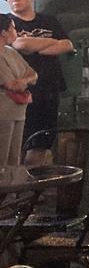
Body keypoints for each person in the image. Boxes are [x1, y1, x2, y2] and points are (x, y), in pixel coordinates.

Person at [4, 0, 73, 165]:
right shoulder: (6, 22)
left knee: (43, 139)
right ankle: (13, 185)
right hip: (18, 91)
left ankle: (36, 185)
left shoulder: (49, 20)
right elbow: (19, 44)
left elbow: (67, 44)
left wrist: (33, 45)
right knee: (15, 139)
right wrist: (50, 43)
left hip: (49, 87)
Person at [0, 14, 36, 166]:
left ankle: (12, 189)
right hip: (3, 109)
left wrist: (23, 80)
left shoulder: (10, 51)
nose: (16, 31)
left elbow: (33, 74)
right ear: (3, 32)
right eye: (13, 28)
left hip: (18, 110)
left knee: (14, 158)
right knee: (2, 157)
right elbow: (11, 84)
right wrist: (23, 80)